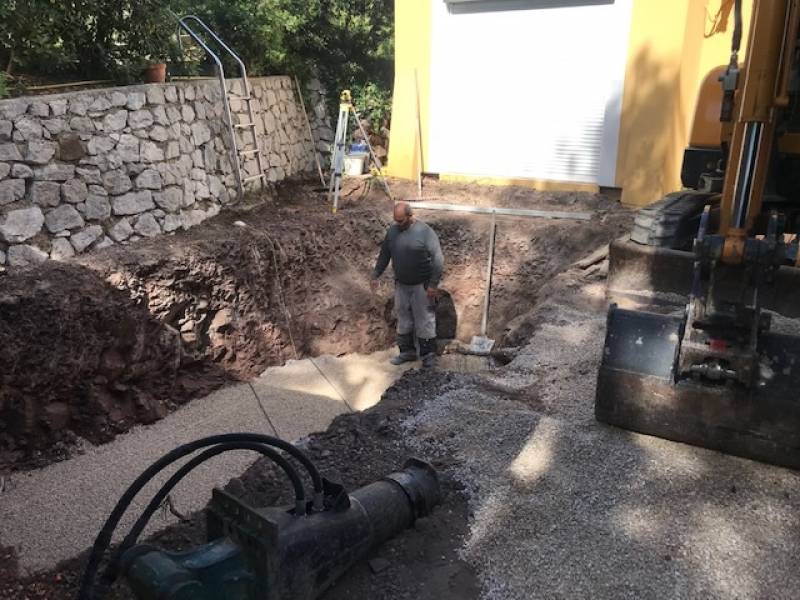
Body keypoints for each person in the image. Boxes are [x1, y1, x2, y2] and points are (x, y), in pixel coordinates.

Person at [371, 202, 444, 367]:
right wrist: (375, 275)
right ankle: (407, 352)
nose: (398, 224)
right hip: (401, 285)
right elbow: (384, 255)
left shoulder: (425, 232)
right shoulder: (392, 232)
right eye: (396, 221)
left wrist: (433, 284)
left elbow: (438, 258)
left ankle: (428, 355)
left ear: (410, 216)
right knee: (403, 319)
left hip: (422, 286)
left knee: (425, 320)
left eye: (401, 221)